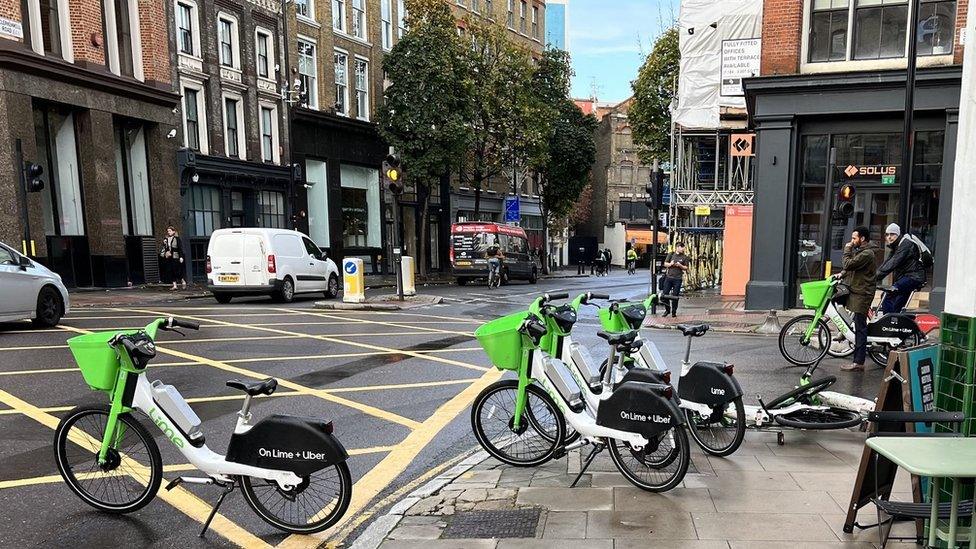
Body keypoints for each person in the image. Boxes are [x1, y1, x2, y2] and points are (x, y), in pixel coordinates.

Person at [838, 226, 879, 372]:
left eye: (854, 238)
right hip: (857, 291)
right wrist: (841, 275)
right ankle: (843, 333)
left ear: (862, 239)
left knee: (861, 327)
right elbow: (852, 268)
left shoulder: (867, 253)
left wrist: (846, 249)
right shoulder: (861, 252)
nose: (851, 241)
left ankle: (858, 362)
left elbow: (848, 263)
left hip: (863, 293)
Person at [876, 223, 926, 314]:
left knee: (887, 294)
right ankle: (896, 324)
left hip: (913, 277)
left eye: (892, 234)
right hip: (905, 278)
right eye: (887, 235)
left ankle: (889, 322)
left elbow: (893, 263)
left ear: (898, 235)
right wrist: (874, 276)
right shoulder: (896, 246)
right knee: (897, 307)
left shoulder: (906, 244)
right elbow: (886, 263)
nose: (889, 237)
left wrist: (875, 278)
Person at [660, 242, 690, 317]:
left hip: (678, 279)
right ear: (678, 247)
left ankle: (674, 311)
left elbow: (686, 268)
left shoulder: (685, 257)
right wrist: (670, 264)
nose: (683, 249)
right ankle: (667, 310)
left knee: (675, 296)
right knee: (664, 295)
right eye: (682, 248)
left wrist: (680, 265)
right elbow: (665, 264)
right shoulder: (671, 254)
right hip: (669, 278)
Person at [160, 225, 186, 291]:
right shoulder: (166, 239)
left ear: (173, 231)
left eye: (170, 231)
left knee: (176, 270)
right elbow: (165, 248)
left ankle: (182, 281)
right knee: (170, 271)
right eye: (168, 231)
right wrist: (164, 243)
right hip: (169, 257)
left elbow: (180, 248)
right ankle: (174, 285)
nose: (168, 232)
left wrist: (181, 257)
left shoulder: (177, 239)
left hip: (175, 256)